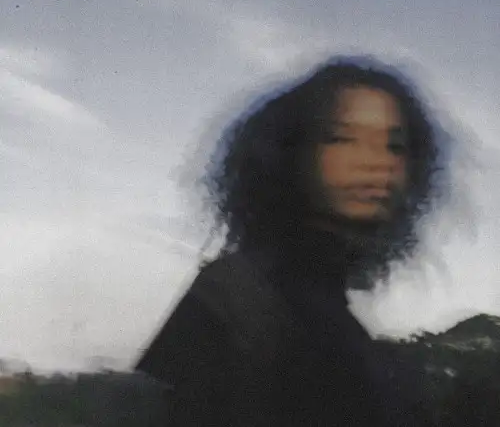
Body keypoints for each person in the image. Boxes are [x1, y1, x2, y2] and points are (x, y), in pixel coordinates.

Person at [135, 58, 446, 426]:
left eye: (394, 146)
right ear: (291, 152)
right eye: (341, 138)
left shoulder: (348, 329)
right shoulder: (237, 293)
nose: (377, 162)